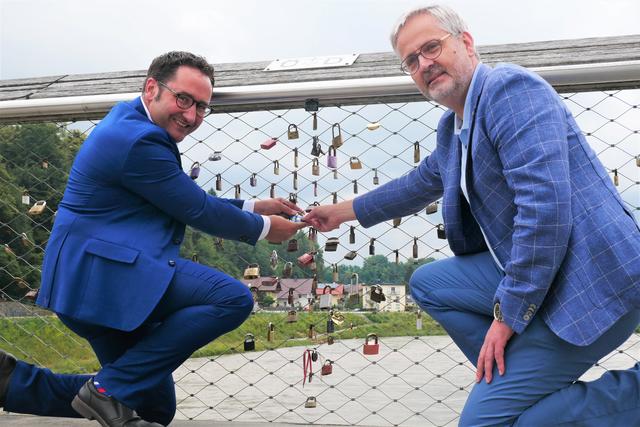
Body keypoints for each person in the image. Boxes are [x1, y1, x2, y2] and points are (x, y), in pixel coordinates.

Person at [304, 5, 640, 426]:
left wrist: (508, 317)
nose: (424, 64)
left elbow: (545, 214)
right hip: (546, 273)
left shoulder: (510, 91)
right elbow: (415, 185)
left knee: (488, 423)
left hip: (591, 279)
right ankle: (512, 377)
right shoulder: (454, 128)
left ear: (465, 43)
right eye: (412, 60)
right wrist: (339, 213)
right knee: (430, 283)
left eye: (431, 47)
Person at [0, 51, 306, 427]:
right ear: (151, 88)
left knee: (153, 408)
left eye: (201, 108)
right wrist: (262, 227)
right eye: (184, 99)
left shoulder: (128, 122)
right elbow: (196, 210)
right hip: (104, 279)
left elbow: (176, 197)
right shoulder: (137, 140)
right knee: (231, 298)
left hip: (90, 282)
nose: (192, 116)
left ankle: (13, 382)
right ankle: (105, 390)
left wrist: (254, 205)